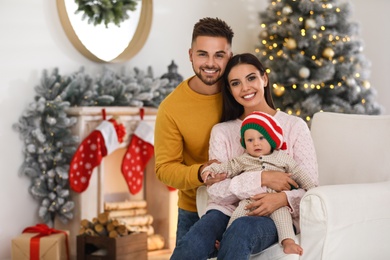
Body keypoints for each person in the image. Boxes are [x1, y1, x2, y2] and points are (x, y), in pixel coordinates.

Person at [170, 53, 318, 260]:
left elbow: (311, 189)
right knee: (192, 243)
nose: (245, 88)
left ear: (264, 79)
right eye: (235, 83)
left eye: (251, 78)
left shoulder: (295, 127)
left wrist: (282, 198)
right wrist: (261, 179)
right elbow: (217, 192)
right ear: (229, 90)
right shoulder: (222, 131)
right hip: (225, 210)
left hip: (273, 215)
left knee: (240, 232)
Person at [154, 17, 234, 248]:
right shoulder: (171, 108)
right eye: (202, 54)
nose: (210, 63)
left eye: (219, 55)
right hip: (194, 210)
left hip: (244, 207)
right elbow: (165, 168)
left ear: (229, 56)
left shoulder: (241, 93)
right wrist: (200, 173)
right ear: (190, 54)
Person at [201, 111, 317, 255]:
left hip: (277, 201)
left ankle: (288, 242)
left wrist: (313, 189)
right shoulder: (243, 159)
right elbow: (226, 167)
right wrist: (210, 170)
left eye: (261, 138)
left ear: (271, 139)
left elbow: (298, 173)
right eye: (250, 140)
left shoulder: (282, 158)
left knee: (283, 218)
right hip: (251, 201)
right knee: (237, 219)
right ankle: (225, 241)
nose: (256, 143)